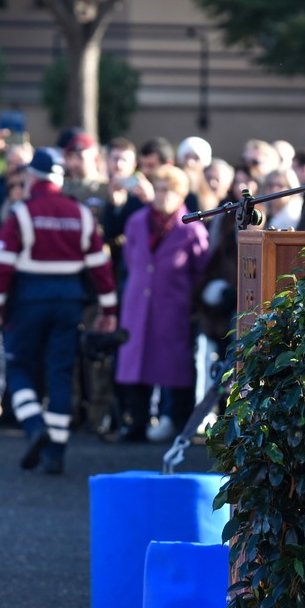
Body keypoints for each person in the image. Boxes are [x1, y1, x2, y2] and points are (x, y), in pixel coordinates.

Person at [0, 145, 119, 474]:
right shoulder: (81, 213)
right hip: (69, 302)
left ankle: (34, 426)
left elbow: (1, 265)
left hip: (28, 301)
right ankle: (55, 452)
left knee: (19, 366)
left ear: (32, 177)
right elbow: (100, 267)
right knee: (60, 372)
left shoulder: (22, 212)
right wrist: (109, 309)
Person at [115, 165, 209, 441]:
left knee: (175, 365)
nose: (162, 195)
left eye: (168, 190)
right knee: (135, 362)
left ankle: (179, 422)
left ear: (181, 194)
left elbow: (201, 271)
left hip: (173, 307)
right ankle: (137, 422)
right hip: (138, 304)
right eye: (158, 189)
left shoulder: (192, 228)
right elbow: (131, 258)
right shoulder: (136, 221)